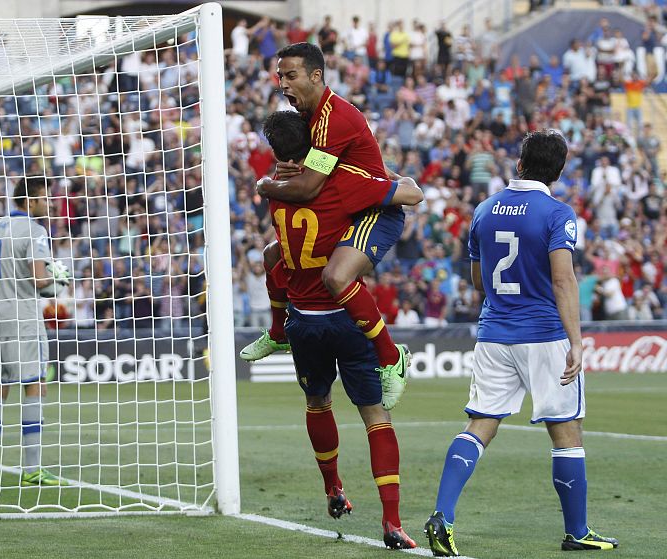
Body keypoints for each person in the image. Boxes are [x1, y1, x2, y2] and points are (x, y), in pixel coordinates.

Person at [424, 131, 618, 555]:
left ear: (519, 163)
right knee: (566, 431)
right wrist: (577, 342)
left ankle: (443, 514)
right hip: (545, 335)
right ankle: (578, 532)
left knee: (480, 425)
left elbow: (478, 281)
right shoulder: (557, 213)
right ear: (560, 170)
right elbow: (564, 278)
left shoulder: (483, 210)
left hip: (494, 333)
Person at [260, 110, 423, 549]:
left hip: (303, 323)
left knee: (317, 403)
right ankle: (391, 520)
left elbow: (272, 254)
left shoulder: (275, 189)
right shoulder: (341, 182)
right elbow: (408, 196)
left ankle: (333, 487)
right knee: (375, 416)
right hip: (346, 317)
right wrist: (395, 179)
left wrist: (265, 182)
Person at [241, 42, 408, 386]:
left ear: (316, 75)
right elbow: (316, 172)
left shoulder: (333, 118)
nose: (282, 84)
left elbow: (309, 188)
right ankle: (277, 331)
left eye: (291, 75)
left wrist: (265, 185)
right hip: (352, 198)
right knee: (274, 254)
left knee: (336, 277)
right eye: (279, 76)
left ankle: (392, 357)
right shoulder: (310, 117)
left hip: (375, 210)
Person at [0, 177, 69, 487]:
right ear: (31, 201)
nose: (48, 203)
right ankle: (33, 469)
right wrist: (60, 279)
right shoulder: (36, 232)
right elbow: (39, 280)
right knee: (35, 385)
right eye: (44, 198)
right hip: (23, 320)